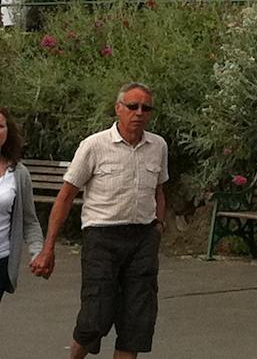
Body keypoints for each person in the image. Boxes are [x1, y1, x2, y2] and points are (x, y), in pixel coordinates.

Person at [32, 82, 168, 359]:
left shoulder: (158, 146)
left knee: (138, 319)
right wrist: (48, 248)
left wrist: (158, 227)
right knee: (96, 315)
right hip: (102, 238)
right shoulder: (94, 146)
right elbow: (66, 196)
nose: (139, 112)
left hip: (142, 239)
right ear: (118, 108)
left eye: (146, 107)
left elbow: (159, 191)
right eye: (132, 106)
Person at [0, 106, 45, 304]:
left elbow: (29, 220)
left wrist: (37, 252)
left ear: (7, 131)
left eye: (0, 126)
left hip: (2, 260)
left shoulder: (18, 173)